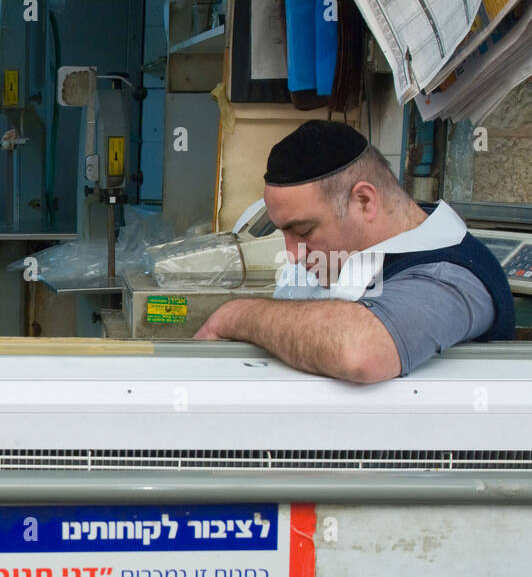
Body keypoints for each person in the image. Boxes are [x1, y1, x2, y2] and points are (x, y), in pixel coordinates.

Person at [195, 121, 514, 382]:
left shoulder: (450, 277)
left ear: (364, 201)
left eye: (304, 231)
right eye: (284, 233)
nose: (293, 253)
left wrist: (234, 315)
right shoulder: (345, 253)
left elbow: (360, 351)